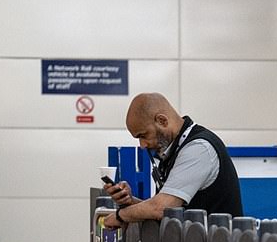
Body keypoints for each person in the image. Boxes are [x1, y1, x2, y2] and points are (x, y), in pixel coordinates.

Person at [102, 92, 243, 227]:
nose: (142, 145)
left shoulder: (199, 148)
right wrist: (130, 201)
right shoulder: (174, 151)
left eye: (143, 135)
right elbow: (167, 212)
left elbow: (161, 208)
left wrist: (120, 215)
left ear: (162, 121)